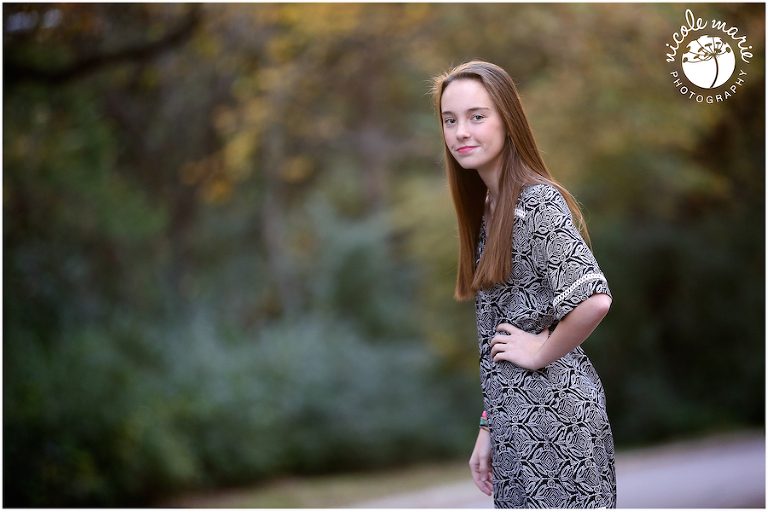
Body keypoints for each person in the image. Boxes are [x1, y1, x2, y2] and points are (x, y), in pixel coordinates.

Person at [431, 60, 616, 508]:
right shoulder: (490, 207)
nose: (460, 132)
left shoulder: (536, 201)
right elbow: (502, 333)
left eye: (477, 116)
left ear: (507, 119)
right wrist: (489, 424)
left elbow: (593, 299)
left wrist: (539, 351)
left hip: (556, 427)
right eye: (449, 120)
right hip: (517, 427)